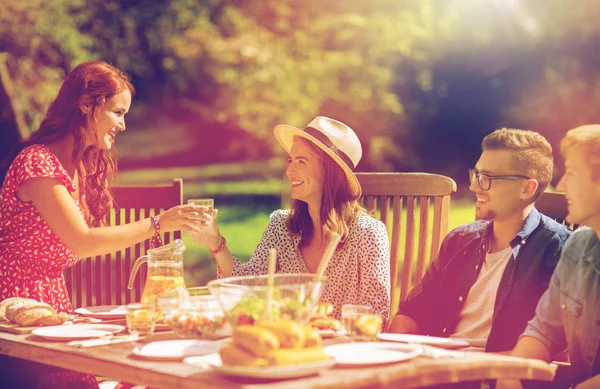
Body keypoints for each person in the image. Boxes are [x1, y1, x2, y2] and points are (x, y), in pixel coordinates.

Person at [0, 61, 203, 389]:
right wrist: (158, 223)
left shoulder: (80, 166)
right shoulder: (37, 162)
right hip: (15, 315)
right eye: (118, 112)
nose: (122, 125)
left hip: (55, 309)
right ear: (85, 105)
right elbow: (83, 241)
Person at [190, 116, 391, 326]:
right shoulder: (280, 226)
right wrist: (216, 243)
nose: (289, 171)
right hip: (285, 347)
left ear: (331, 172)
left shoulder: (369, 234)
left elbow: (376, 316)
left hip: (344, 351)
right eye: (290, 160)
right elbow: (248, 290)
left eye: (301, 162)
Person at [388, 128, 572, 353]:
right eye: (476, 175)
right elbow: (414, 312)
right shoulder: (459, 240)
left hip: (496, 376)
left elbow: (549, 345)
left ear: (527, 188)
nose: (475, 186)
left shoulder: (559, 252)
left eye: (487, 178)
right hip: (435, 370)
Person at [497, 125, 600, 389]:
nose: (562, 185)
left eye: (573, 174)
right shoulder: (579, 248)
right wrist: (511, 375)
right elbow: (544, 330)